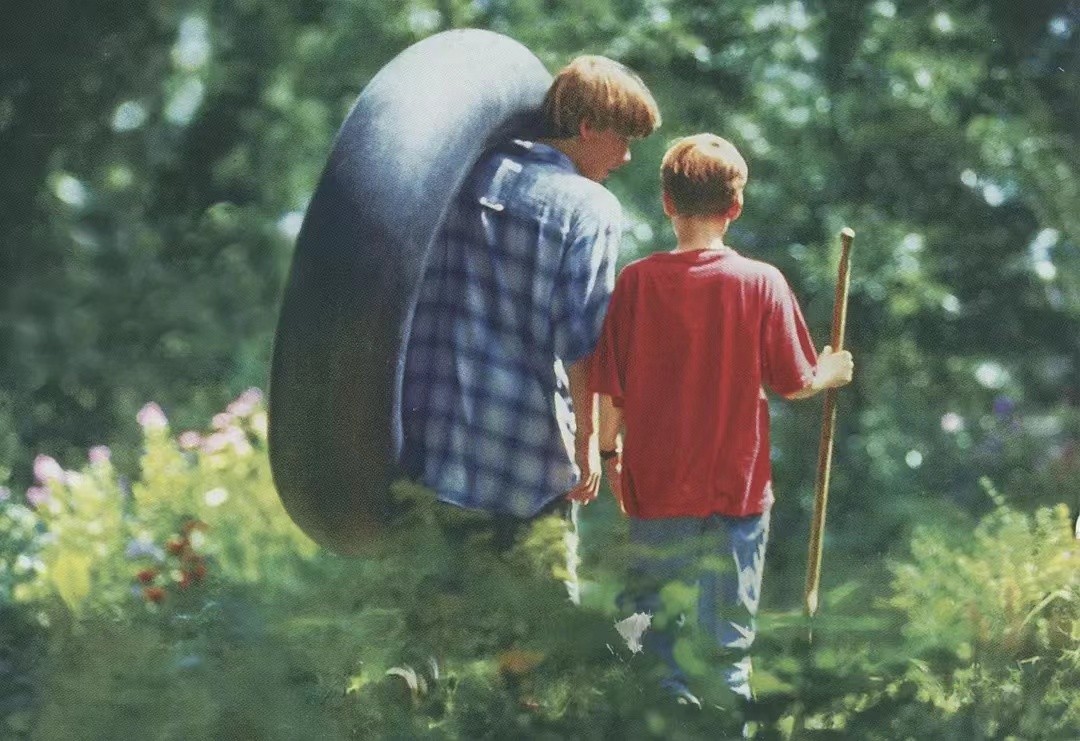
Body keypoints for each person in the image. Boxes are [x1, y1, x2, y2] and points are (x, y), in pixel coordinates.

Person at [590, 133, 854, 703]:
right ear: (735, 207)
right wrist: (829, 371)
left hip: (656, 494)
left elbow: (611, 390)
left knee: (654, 653)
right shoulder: (761, 283)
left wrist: (608, 455)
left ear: (666, 202)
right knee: (726, 658)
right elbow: (795, 381)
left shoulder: (635, 283)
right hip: (735, 498)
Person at [400, 56, 661, 593]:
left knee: (439, 609)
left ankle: (417, 671)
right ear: (587, 128)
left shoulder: (465, 172)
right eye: (622, 138)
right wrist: (590, 441)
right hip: (524, 452)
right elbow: (583, 337)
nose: (627, 156)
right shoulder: (590, 207)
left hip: (434, 437)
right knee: (540, 632)